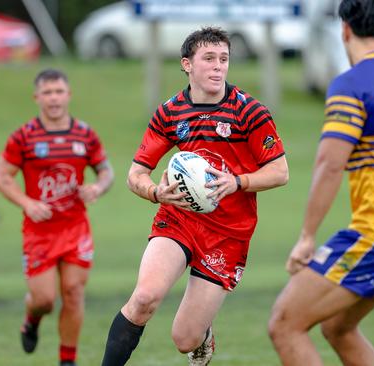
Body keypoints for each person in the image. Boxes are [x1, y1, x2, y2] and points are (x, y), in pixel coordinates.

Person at [100, 26, 288, 366]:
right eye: (209, 59)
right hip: (180, 219)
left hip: (228, 234)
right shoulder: (171, 112)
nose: (218, 67)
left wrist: (238, 182)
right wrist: (156, 192)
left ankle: (203, 338)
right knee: (144, 298)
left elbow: (280, 172)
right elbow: (135, 174)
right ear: (187, 64)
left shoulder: (250, 112)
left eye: (224, 59)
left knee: (184, 339)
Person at [268, 1, 374, 365]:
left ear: (345, 29)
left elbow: (330, 165)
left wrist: (307, 237)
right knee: (337, 328)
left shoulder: (352, 84)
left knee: (284, 323)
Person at [0, 69, 114, 366]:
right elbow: (2, 177)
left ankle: (67, 361)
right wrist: (26, 203)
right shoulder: (24, 136)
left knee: (73, 293)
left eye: (59, 91)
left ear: (68, 95)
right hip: (39, 232)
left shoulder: (85, 134)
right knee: (45, 300)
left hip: (75, 228)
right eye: (47, 93)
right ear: (37, 97)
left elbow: (106, 171)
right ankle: (31, 319)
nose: (54, 98)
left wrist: (97, 187)